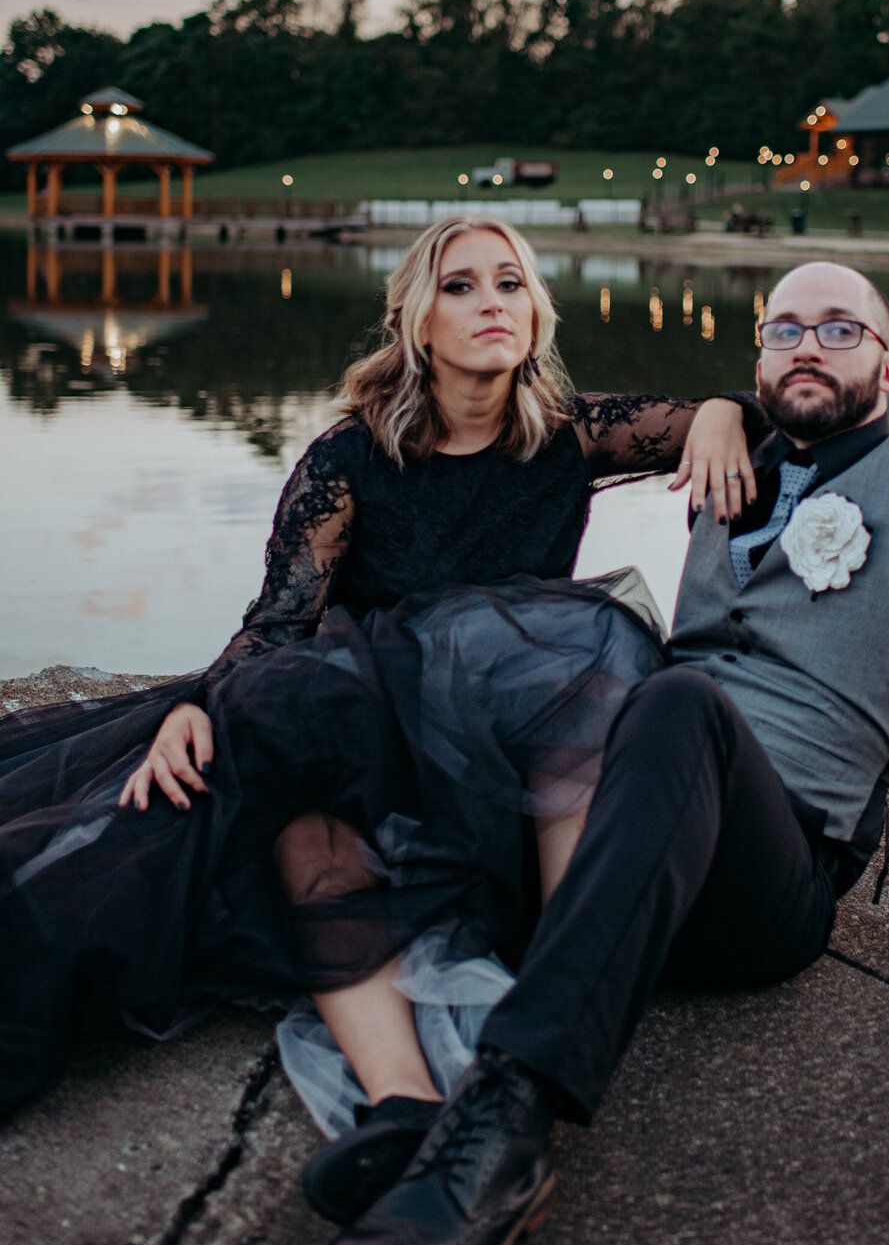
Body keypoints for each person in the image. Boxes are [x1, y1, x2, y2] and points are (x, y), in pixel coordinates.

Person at [316, 259, 889, 1245]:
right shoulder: (730, 453)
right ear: (757, 361)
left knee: (676, 704)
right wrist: (723, 416)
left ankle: (503, 1125)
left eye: (839, 330)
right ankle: (401, 1111)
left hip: (767, 878)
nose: (809, 347)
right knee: (343, 739)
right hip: (614, 832)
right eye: (784, 330)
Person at [0, 215, 761, 1126]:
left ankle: (558, 1000)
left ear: (537, 311)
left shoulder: (573, 435)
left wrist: (724, 412)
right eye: (461, 285)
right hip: (364, 736)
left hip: (504, 765)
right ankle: (397, 1101)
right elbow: (281, 619)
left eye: (510, 283)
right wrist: (202, 703)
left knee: (597, 655)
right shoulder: (349, 458)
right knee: (137, 854)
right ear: (417, 322)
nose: (492, 303)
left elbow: (726, 416)